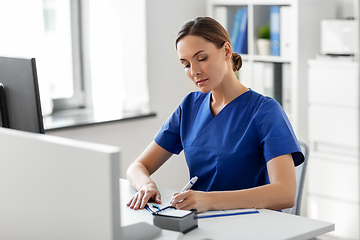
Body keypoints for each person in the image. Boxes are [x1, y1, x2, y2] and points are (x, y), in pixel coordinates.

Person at [126, 16, 304, 213]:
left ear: (226, 51)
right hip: (202, 224)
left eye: (202, 58)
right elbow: (137, 167)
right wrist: (146, 185)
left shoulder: (265, 111)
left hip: (253, 226)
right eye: (186, 64)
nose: (194, 71)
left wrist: (210, 200)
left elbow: (285, 193)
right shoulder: (189, 107)